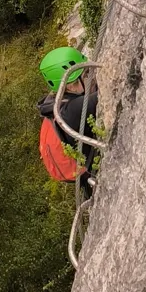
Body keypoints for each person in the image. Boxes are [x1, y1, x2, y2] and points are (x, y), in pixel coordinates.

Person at [37, 45, 102, 193]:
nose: (91, 74)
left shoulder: (57, 103)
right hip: (94, 174)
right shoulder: (74, 110)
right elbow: (109, 91)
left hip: (86, 178)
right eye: (85, 73)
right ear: (71, 86)